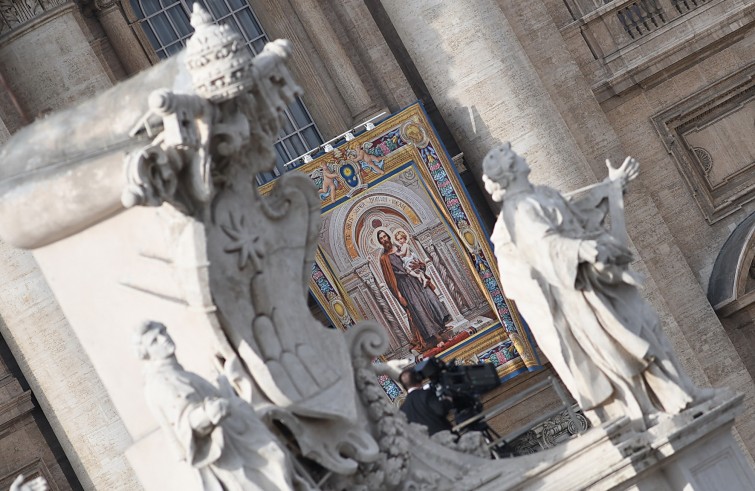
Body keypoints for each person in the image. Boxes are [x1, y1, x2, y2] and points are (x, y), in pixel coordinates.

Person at [482, 142, 713, 430]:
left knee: (647, 325)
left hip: (595, 282)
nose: (523, 156)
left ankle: (681, 394)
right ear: (511, 169)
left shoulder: (541, 194)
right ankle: (647, 409)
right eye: (516, 156)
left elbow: (579, 214)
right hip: (577, 293)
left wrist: (613, 185)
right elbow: (544, 247)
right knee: (624, 346)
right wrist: (583, 250)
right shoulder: (520, 211)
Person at [134, 321, 299, 491]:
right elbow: (187, 422)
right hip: (231, 455)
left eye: (163, 331)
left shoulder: (177, 373)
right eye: (154, 341)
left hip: (238, 443)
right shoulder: (163, 381)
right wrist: (211, 411)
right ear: (147, 354)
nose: (163, 339)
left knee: (279, 465)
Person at [377, 229, 449, 351]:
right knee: (419, 309)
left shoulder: (401, 247)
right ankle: (436, 337)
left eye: (385, 236)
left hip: (416, 279)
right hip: (405, 285)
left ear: (388, 237)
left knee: (430, 300)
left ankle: (441, 329)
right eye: (381, 238)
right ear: (380, 242)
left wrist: (419, 266)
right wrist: (399, 295)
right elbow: (390, 281)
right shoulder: (384, 258)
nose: (384, 239)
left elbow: (418, 262)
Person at [398, 368, 452, 436]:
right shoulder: (425, 394)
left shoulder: (402, 409)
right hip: (445, 437)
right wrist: (448, 400)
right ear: (418, 378)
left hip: (428, 444)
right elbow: (441, 410)